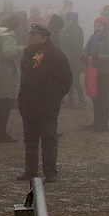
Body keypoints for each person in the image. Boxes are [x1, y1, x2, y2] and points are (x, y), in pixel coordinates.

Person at [17, 24, 74, 182]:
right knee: (30, 140)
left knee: (48, 139)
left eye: (34, 35)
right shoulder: (28, 54)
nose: (30, 37)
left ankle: (50, 172)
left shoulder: (56, 56)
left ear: (44, 38)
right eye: (30, 34)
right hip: (28, 104)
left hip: (47, 106)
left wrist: (55, 97)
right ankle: (30, 171)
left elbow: (66, 80)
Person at [82, 16, 109, 131]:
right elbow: (85, 49)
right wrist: (83, 55)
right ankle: (96, 122)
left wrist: (98, 57)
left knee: (104, 97)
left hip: (106, 72)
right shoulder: (93, 37)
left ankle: (104, 123)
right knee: (95, 97)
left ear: (105, 27)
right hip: (94, 71)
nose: (96, 28)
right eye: (95, 26)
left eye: (99, 26)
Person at [60, 11, 86, 108]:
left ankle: (81, 100)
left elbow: (76, 46)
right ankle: (72, 101)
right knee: (71, 80)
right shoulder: (70, 29)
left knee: (75, 80)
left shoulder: (75, 29)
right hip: (70, 58)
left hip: (74, 59)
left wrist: (71, 57)